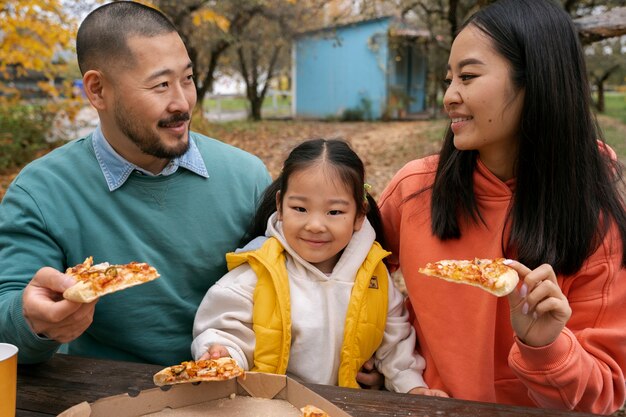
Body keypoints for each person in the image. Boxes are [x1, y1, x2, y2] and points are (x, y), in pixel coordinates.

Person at [378, 0, 626, 413]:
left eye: (469, 77)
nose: (449, 97)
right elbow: (350, 273)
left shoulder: (596, 218)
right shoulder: (415, 189)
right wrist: (373, 351)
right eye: (449, 79)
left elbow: (603, 391)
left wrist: (544, 344)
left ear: (537, 80)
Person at [0, 1, 271, 366]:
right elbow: (7, 319)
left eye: (187, 79)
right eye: (160, 85)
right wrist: (33, 322)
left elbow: (291, 289)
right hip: (98, 394)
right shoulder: (41, 192)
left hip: (232, 385)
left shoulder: (248, 178)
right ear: (97, 91)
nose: (182, 102)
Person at [191, 139, 448, 396]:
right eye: (300, 208)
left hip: (344, 407)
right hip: (271, 406)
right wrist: (222, 354)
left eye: (334, 212)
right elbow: (225, 331)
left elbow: (395, 345)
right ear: (280, 206)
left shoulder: (374, 278)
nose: (315, 225)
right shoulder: (260, 271)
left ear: (360, 214)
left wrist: (411, 386)